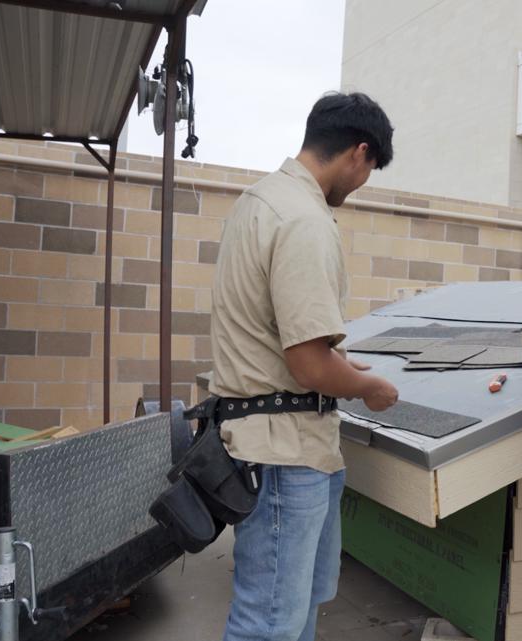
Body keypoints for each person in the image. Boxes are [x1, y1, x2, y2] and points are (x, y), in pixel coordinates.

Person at [210, 91, 400, 641]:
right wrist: (368, 387)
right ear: (358, 154)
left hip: (276, 442)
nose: (361, 185)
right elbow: (309, 366)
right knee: (269, 623)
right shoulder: (304, 220)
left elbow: (279, 331)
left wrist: (342, 360)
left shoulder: (259, 200)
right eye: (368, 171)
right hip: (284, 454)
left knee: (292, 613)